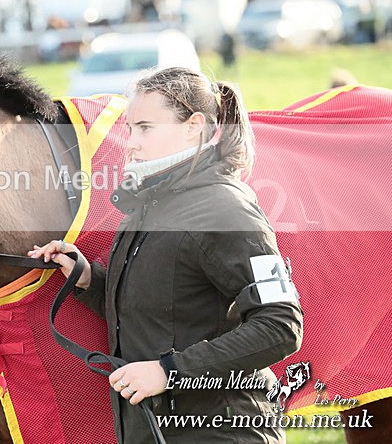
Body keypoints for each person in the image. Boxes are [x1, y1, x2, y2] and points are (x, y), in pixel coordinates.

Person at [29, 67, 303, 443]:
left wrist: (168, 371)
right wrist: (88, 278)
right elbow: (161, 308)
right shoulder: (146, 204)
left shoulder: (228, 209)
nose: (131, 143)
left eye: (145, 128)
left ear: (194, 126)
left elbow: (281, 327)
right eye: (130, 129)